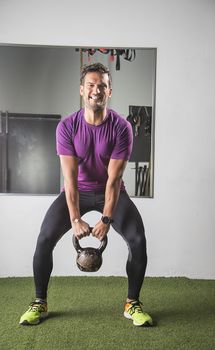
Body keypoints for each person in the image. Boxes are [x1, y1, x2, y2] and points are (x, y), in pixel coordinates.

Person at [19, 62, 153, 327]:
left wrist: (106, 218)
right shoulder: (67, 127)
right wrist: (75, 218)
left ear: (109, 91)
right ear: (82, 90)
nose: (96, 90)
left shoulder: (121, 127)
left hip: (109, 193)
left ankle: (132, 303)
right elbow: (69, 179)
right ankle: (39, 302)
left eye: (102, 85)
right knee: (45, 238)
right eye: (91, 85)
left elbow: (113, 180)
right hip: (77, 191)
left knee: (137, 239)